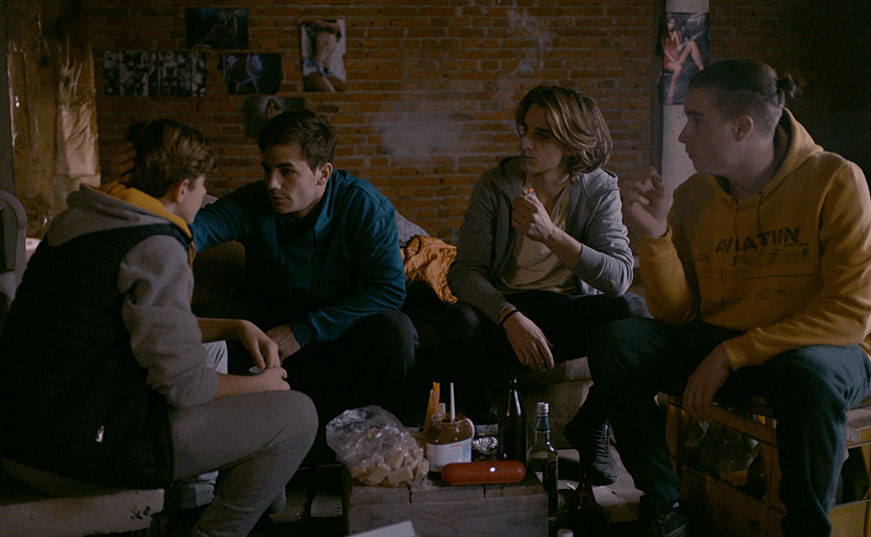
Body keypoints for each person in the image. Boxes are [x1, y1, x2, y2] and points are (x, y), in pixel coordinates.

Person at [0, 119, 318, 537]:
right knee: (297, 415)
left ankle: (211, 502)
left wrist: (234, 325)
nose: (204, 195)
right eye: (203, 185)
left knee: (224, 366)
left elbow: (133, 325)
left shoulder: (80, 218)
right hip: (78, 453)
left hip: (21, 435)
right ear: (182, 188)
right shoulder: (157, 246)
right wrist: (262, 385)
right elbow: (184, 387)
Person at [594, 59, 871, 537]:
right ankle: (664, 500)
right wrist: (657, 236)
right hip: (726, 342)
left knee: (811, 377)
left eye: (696, 120)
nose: (684, 135)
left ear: (743, 127)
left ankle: (807, 530)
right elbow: (678, 314)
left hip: (816, 349)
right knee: (617, 341)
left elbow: (850, 315)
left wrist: (733, 353)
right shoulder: (693, 197)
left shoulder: (836, 180)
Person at [440, 85, 649, 485]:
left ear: (572, 143)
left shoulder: (599, 188)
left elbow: (619, 277)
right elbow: (463, 273)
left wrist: (551, 234)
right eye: (524, 130)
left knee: (635, 312)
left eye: (541, 134)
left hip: (565, 310)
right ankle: (488, 435)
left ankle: (592, 424)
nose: (525, 142)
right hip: (507, 312)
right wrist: (508, 316)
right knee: (457, 322)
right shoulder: (496, 184)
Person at [191, 110, 417, 425]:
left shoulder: (364, 204)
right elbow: (190, 231)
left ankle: (389, 439)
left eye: (286, 171)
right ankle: (218, 433)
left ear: (323, 173)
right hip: (271, 321)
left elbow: (388, 290)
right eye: (267, 169)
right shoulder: (254, 201)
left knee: (396, 331)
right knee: (206, 322)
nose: (272, 183)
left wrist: (303, 330)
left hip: (341, 325)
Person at [661, 15, 705, 105]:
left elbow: (680, 49)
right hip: (668, 60)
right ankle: (670, 95)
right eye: (670, 23)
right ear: (666, 24)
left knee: (692, 43)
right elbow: (665, 51)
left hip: (678, 58)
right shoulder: (663, 35)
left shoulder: (677, 33)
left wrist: (677, 37)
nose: (672, 25)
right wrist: (674, 60)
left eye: (673, 23)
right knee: (679, 68)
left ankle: (702, 70)